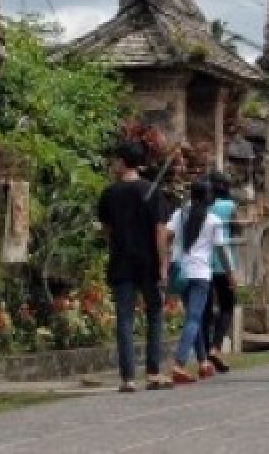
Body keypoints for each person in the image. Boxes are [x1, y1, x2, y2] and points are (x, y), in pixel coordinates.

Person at [97, 140, 169, 393]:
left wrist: (118, 240)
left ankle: (128, 378)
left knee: (125, 319)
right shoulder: (152, 191)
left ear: (122, 161)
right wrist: (163, 264)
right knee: (155, 315)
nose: (113, 164)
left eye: (115, 159)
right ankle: (153, 372)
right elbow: (160, 230)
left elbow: (106, 230)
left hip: (121, 261)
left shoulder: (110, 193)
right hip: (148, 261)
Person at [166, 178, 236, 384]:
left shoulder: (179, 215)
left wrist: (167, 257)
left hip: (180, 273)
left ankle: (204, 362)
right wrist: (230, 274)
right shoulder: (213, 220)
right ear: (209, 199)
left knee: (192, 317)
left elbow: (167, 236)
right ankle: (179, 363)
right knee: (194, 320)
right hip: (200, 274)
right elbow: (221, 250)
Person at [199, 170, 238, 372]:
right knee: (227, 306)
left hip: (204, 262)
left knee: (204, 310)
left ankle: (205, 354)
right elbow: (237, 227)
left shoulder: (201, 207)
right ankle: (216, 347)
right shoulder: (230, 206)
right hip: (224, 263)